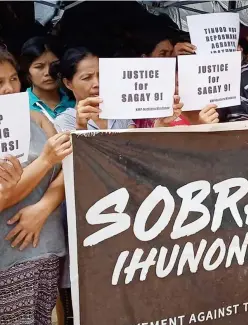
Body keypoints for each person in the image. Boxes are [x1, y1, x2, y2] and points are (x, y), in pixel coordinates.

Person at [0, 48, 73, 325]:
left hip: (45, 248)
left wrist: (43, 207)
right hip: (7, 258)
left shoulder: (37, 119)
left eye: (13, 79)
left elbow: (67, 165)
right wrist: (44, 161)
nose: (8, 89)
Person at [50, 47, 136, 131]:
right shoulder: (65, 121)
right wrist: (81, 128)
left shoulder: (119, 114)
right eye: (87, 78)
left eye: (101, 75)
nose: (97, 83)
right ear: (68, 84)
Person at [19, 36, 75, 121]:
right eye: (39, 67)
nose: (48, 73)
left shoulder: (75, 98)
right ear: (27, 71)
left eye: (54, 65)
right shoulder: (20, 106)